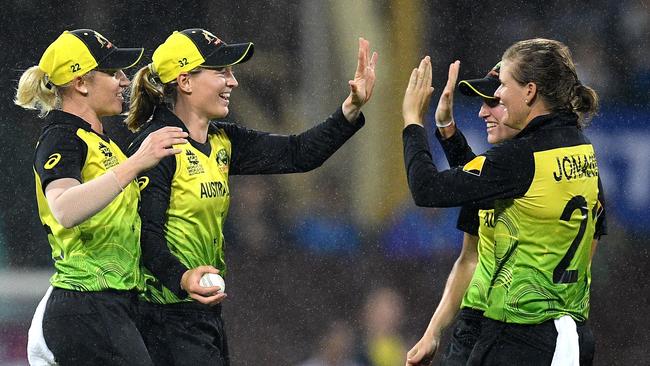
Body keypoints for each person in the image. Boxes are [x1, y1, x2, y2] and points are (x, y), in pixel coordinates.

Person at [125, 28, 377, 365]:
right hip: (162, 317)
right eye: (221, 72)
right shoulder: (158, 146)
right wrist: (183, 278)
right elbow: (144, 238)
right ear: (185, 81)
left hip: (204, 314)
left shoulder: (222, 142)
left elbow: (298, 153)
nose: (233, 82)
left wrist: (350, 108)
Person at [402, 38, 604, 365]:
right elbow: (590, 241)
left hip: (518, 333)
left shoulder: (519, 158)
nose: (493, 98)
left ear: (530, 91)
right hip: (564, 334)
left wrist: (412, 120)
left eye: (502, 87)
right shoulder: (581, 152)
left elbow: (428, 189)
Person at [15, 29, 188, 365]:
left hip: (107, 308)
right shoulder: (62, 137)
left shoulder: (102, 142)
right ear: (81, 82)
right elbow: (64, 208)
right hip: (85, 307)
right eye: (113, 73)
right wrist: (138, 162)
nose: (124, 81)